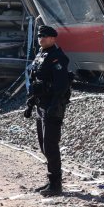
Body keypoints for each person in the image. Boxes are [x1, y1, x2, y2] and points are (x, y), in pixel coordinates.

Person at [24, 23, 72, 196]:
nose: (40, 39)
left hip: (53, 105)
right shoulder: (41, 55)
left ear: (53, 38)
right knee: (43, 145)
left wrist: (53, 106)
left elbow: (61, 86)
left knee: (50, 145)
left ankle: (56, 185)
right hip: (41, 104)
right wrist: (30, 103)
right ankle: (51, 181)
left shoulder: (57, 57)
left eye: (44, 36)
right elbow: (36, 82)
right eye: (39, 36)